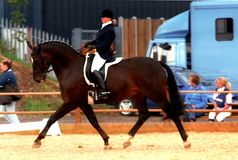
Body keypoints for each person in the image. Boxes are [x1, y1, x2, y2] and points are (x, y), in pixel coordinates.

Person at [85, 9, 116, 98]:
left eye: (103, 17)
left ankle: (103, 90)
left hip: (104, 53)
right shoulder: (105, 27)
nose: (101, 18)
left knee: (94, 69)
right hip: (99, 52)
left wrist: (94, 47)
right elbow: (98, 40)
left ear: (108, 18)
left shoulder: (110, 29)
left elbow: (105, 44)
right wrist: (90, 43)